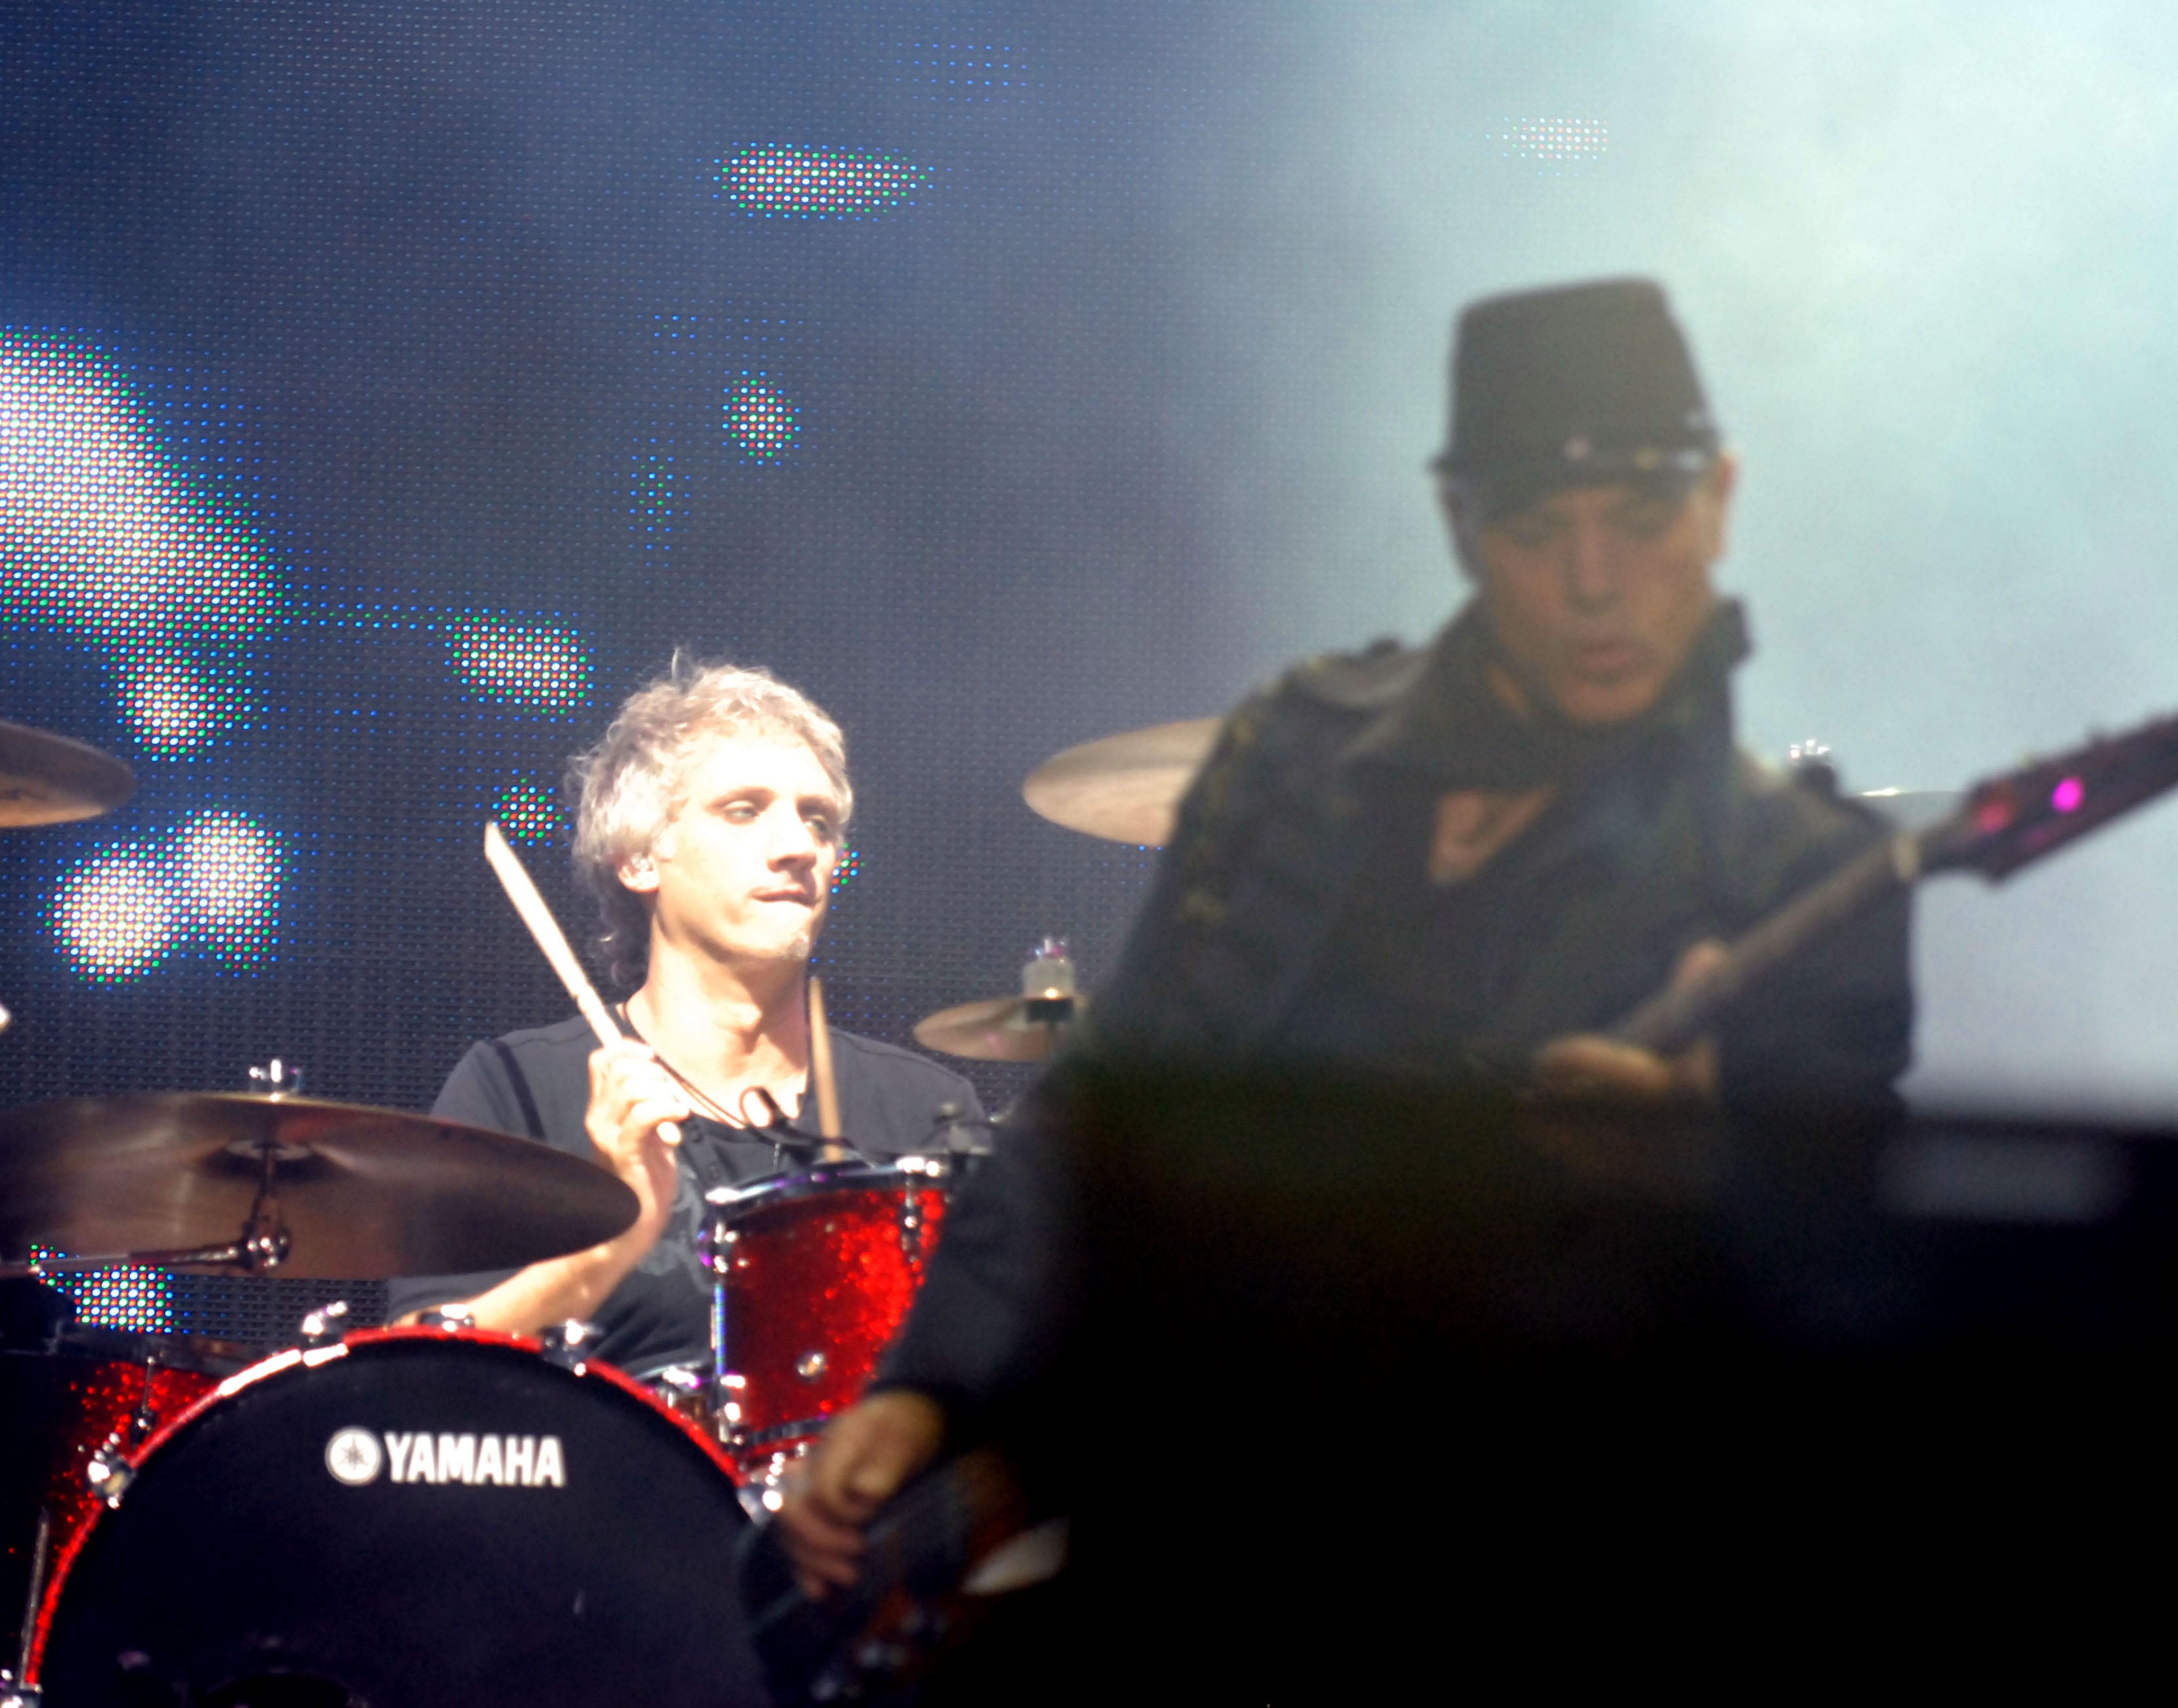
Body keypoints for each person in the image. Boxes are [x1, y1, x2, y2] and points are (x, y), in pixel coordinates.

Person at [773, 277, 1916, 1593]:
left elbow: (1838, 1296)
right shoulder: (1303, 759)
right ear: (1460, 524)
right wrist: (930, 1390)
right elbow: (1109, 1110)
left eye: (1643, 522)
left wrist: (1678, 1173)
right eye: (1542, 531)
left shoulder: (1794, 877)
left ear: (1717, 505)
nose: (1598, 583)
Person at [387, 660, 983, 1382]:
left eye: (817, 820)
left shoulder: (923, 1115)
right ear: (639, 858)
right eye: (743, 810)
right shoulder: (518, 1088)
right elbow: (412, 1376)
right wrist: (609, 1246)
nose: (797, 846)